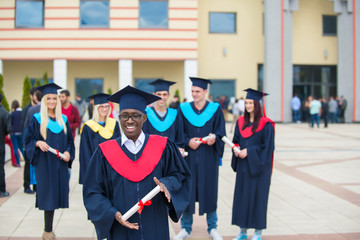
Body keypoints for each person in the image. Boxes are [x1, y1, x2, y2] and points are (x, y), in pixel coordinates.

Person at [82, 85, 191, 239]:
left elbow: (181, 175)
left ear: (144, 118)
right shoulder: (105, 152)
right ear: (119, 118)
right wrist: (112, 213)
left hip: (155, 224)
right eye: (125, 115)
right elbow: (92, 191)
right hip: (122, 227)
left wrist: (167, 184)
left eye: (136, 115)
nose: (130, 120)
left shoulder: (163, 146)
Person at [175, 77, 226, 240]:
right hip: (189, 159)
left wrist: (215, 139)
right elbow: (178, 132)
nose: (194, 94)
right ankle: (185, 228)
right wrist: (188, 141)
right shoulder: (183, 109)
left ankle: (212, 227)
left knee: (210, 191)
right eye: (192, 91)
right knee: (187, 191)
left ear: (205, 92)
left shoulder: (215, 109)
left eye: (198, 91)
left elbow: (221, 132)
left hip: (207, 159)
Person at [25, 83, 75, 240]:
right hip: (44, 164)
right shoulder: (37, 119)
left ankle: (49, 230)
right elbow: (28, 141)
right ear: (45, 100)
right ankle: (47, 232)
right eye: (49, 98)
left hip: (59, 164)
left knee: (56, 195)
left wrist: (68, 153)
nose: (52, 101)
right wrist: (38, 143)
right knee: (48, 196)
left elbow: (69, 142)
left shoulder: (63, 120)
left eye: (55, 98)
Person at [231, 88, 275, 240]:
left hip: (259, 169)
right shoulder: (241, 122)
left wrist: (250, 151)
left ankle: (257, 232)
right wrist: (235, 149)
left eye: (251, 103)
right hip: (244, 167)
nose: (248, 105)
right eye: (247, 102)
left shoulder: (266, 124)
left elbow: (268, 148)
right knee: (242, 198)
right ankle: (242, 232)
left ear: (258, 104)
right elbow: (236, 140)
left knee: (258, 199)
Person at [78, 93, 120, 185]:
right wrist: (90, 174)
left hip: (112, 169)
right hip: (95, 171)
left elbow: (119, 148)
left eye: (106, 106)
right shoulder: (88, 127)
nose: (104, 109)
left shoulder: (114, 124)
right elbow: (85, 153)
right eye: (101, 107)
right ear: (96, 108)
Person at [142, 79, 186, 155]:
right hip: (150, 157)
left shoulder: (175, 114)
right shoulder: (146, 114)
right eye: (159, 94)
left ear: (169, 95)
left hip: (171, 157)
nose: (161, 97)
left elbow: (180, 139)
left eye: (164, 94)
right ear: (154, 94)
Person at [22, 89, 42, 194]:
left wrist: (25, 143)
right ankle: (35, 186)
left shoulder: (29, 110)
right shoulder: (46, 109)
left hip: (31, 141)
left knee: (28, 164)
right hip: (41, 142)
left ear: (35, 97)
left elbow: (25, 127)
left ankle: (27, 186)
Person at [0, 93, 12, 198]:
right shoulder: (5, 113)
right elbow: (9, 130)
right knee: (0, 168)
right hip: (0, 145)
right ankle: (2, 190)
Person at [10, 100, 24, 167]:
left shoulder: (13, 113)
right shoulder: (23, 112)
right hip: (21, 132)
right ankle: (27, 161)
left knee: (15, 148)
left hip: (14, 133)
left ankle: (18, 163)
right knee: (21, 147)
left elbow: (10, 123)